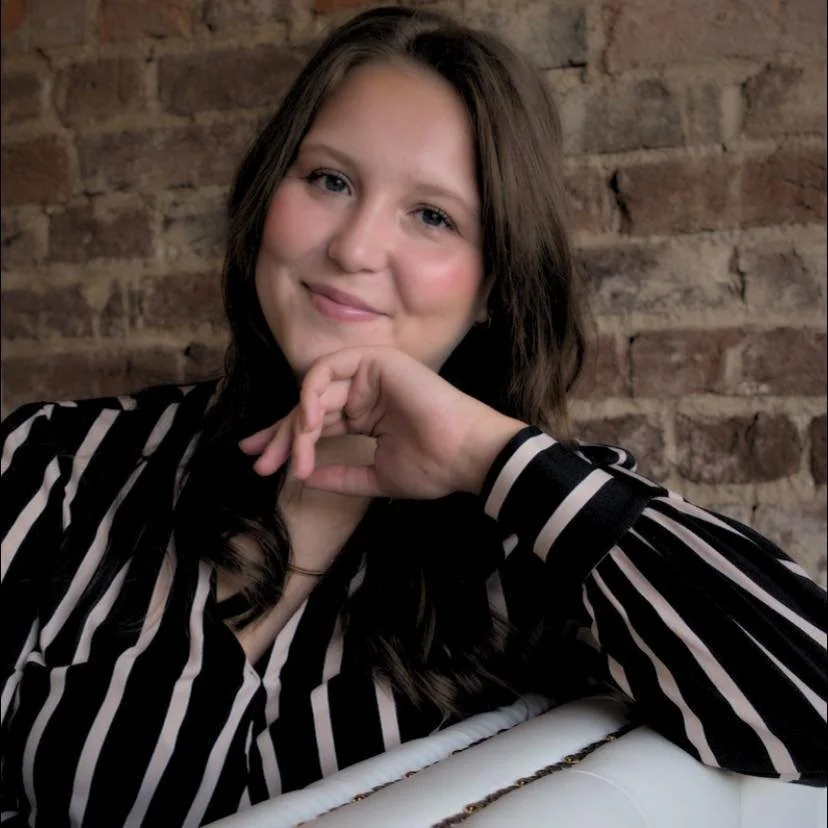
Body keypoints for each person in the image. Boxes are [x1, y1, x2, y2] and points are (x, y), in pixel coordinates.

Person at [1, 5, 825, 827]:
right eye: (329, 180)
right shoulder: (58, 463)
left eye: (433, 216)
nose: (355, 248)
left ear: (496, 284)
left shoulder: (541, 533)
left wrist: (485, 453)